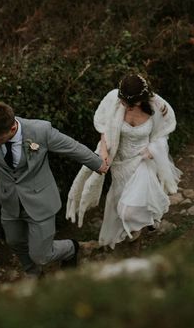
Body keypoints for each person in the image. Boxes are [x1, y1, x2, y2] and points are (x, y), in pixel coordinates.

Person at [0, 101, 109, 277]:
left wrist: (98, 164)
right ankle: (34, 274)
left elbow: (72, 147)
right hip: (10, 200)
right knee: (15, 242)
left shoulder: (40, 131)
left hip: (40, 200)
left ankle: (71, 248)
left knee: (42, 255)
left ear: (12, 129)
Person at [66, 73, 181, 248]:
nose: (123, 105)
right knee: (121, 198)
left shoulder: (158, 108)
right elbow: (105, 127)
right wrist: (103, 150)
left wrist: (152, 151)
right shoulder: (113, 99)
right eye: (122, 100)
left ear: (141, 100)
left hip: (142, 162)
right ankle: (140, 225)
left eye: (128, 103)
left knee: (128, 209)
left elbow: (163, 134)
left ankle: (137, 227)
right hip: (119, 163)